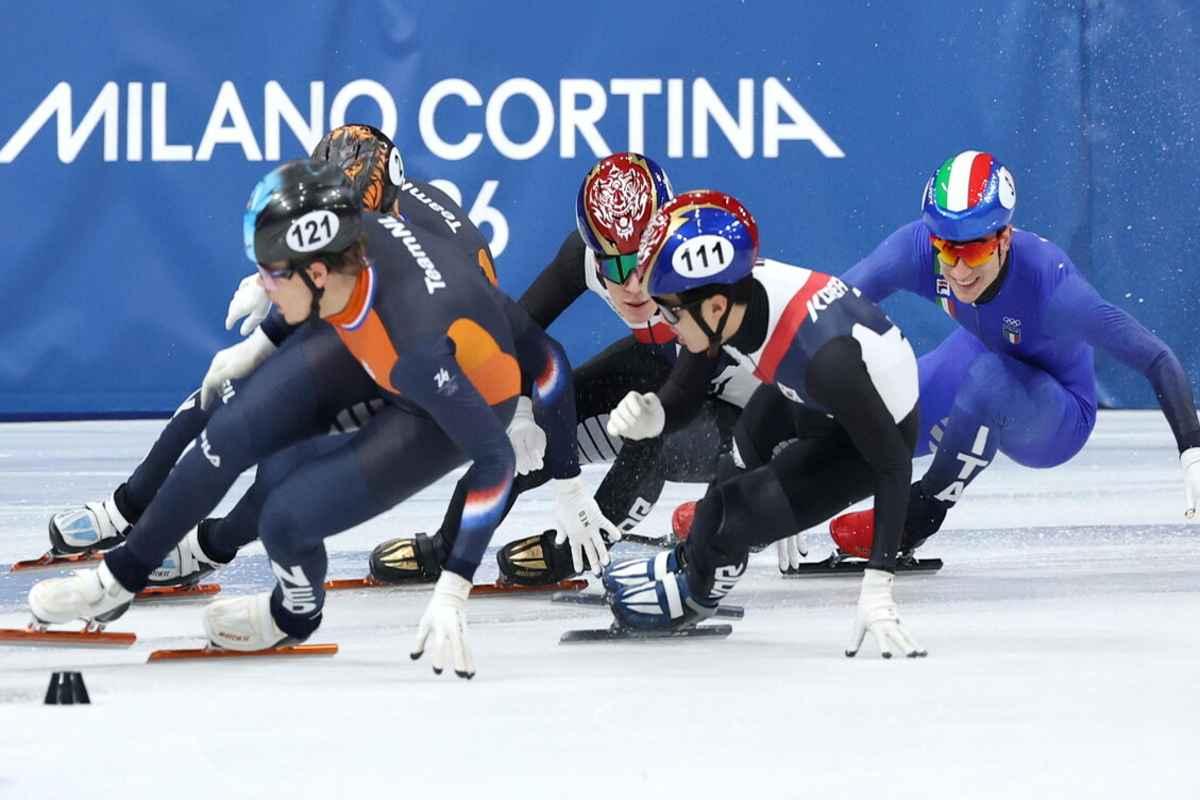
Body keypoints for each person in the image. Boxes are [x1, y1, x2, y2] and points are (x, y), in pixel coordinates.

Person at [28, 159, 591, 678]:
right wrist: (260, 344)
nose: (263, 286)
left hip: (438, 404)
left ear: (318, 273)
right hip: (371, 342)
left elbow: (495, 456)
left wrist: (455, 585)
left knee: (285, 519)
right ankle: (118, 578)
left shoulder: (418, 340)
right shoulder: (356, 242)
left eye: (270, 275)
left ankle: (291, 617)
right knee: (228, 430)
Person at [40, 125, 521, 587]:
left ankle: (211, 547)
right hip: (349, 310)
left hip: (413, 357)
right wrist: (265, 287)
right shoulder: (338, 223)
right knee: (226, 392)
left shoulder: (454, 245)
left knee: (289, 465)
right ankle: (127, 507)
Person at [369, 153, 762, 586]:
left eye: (640, 262)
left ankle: (582, 549)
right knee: (536, 424)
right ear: (592, 251)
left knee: (650, 434)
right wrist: (519, 411)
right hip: (664, 371)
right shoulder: (581, 258)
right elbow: (514, 331)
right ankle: (449, 544)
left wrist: (769, 473)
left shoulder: (699, 270)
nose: (630, 285)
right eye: (613, 265)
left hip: (742, 418)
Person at [601, 189, 927, 658]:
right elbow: (687, 386)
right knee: (723, 482)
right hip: (810, 392)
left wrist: (878, 586)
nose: (662, 319)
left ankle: (701, 583)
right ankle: (703, 559)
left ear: (713, 308)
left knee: (731, 518)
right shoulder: (731, 297)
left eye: (669, 310)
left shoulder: (825, 359)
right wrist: (655, 414)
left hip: (863, 431)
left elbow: (894, 464)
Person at [827, 150, 1200, 558]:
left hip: (1058, 412)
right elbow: (826, 311)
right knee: (876, 420)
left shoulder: (1056, 292)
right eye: (947, 251)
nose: (960, 272)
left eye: (974, 252)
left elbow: (1156, 358)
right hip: (979, 359)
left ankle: (920, 513)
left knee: (987, 378)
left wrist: (1192, 449)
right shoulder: (918, 249)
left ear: (1004, 239)